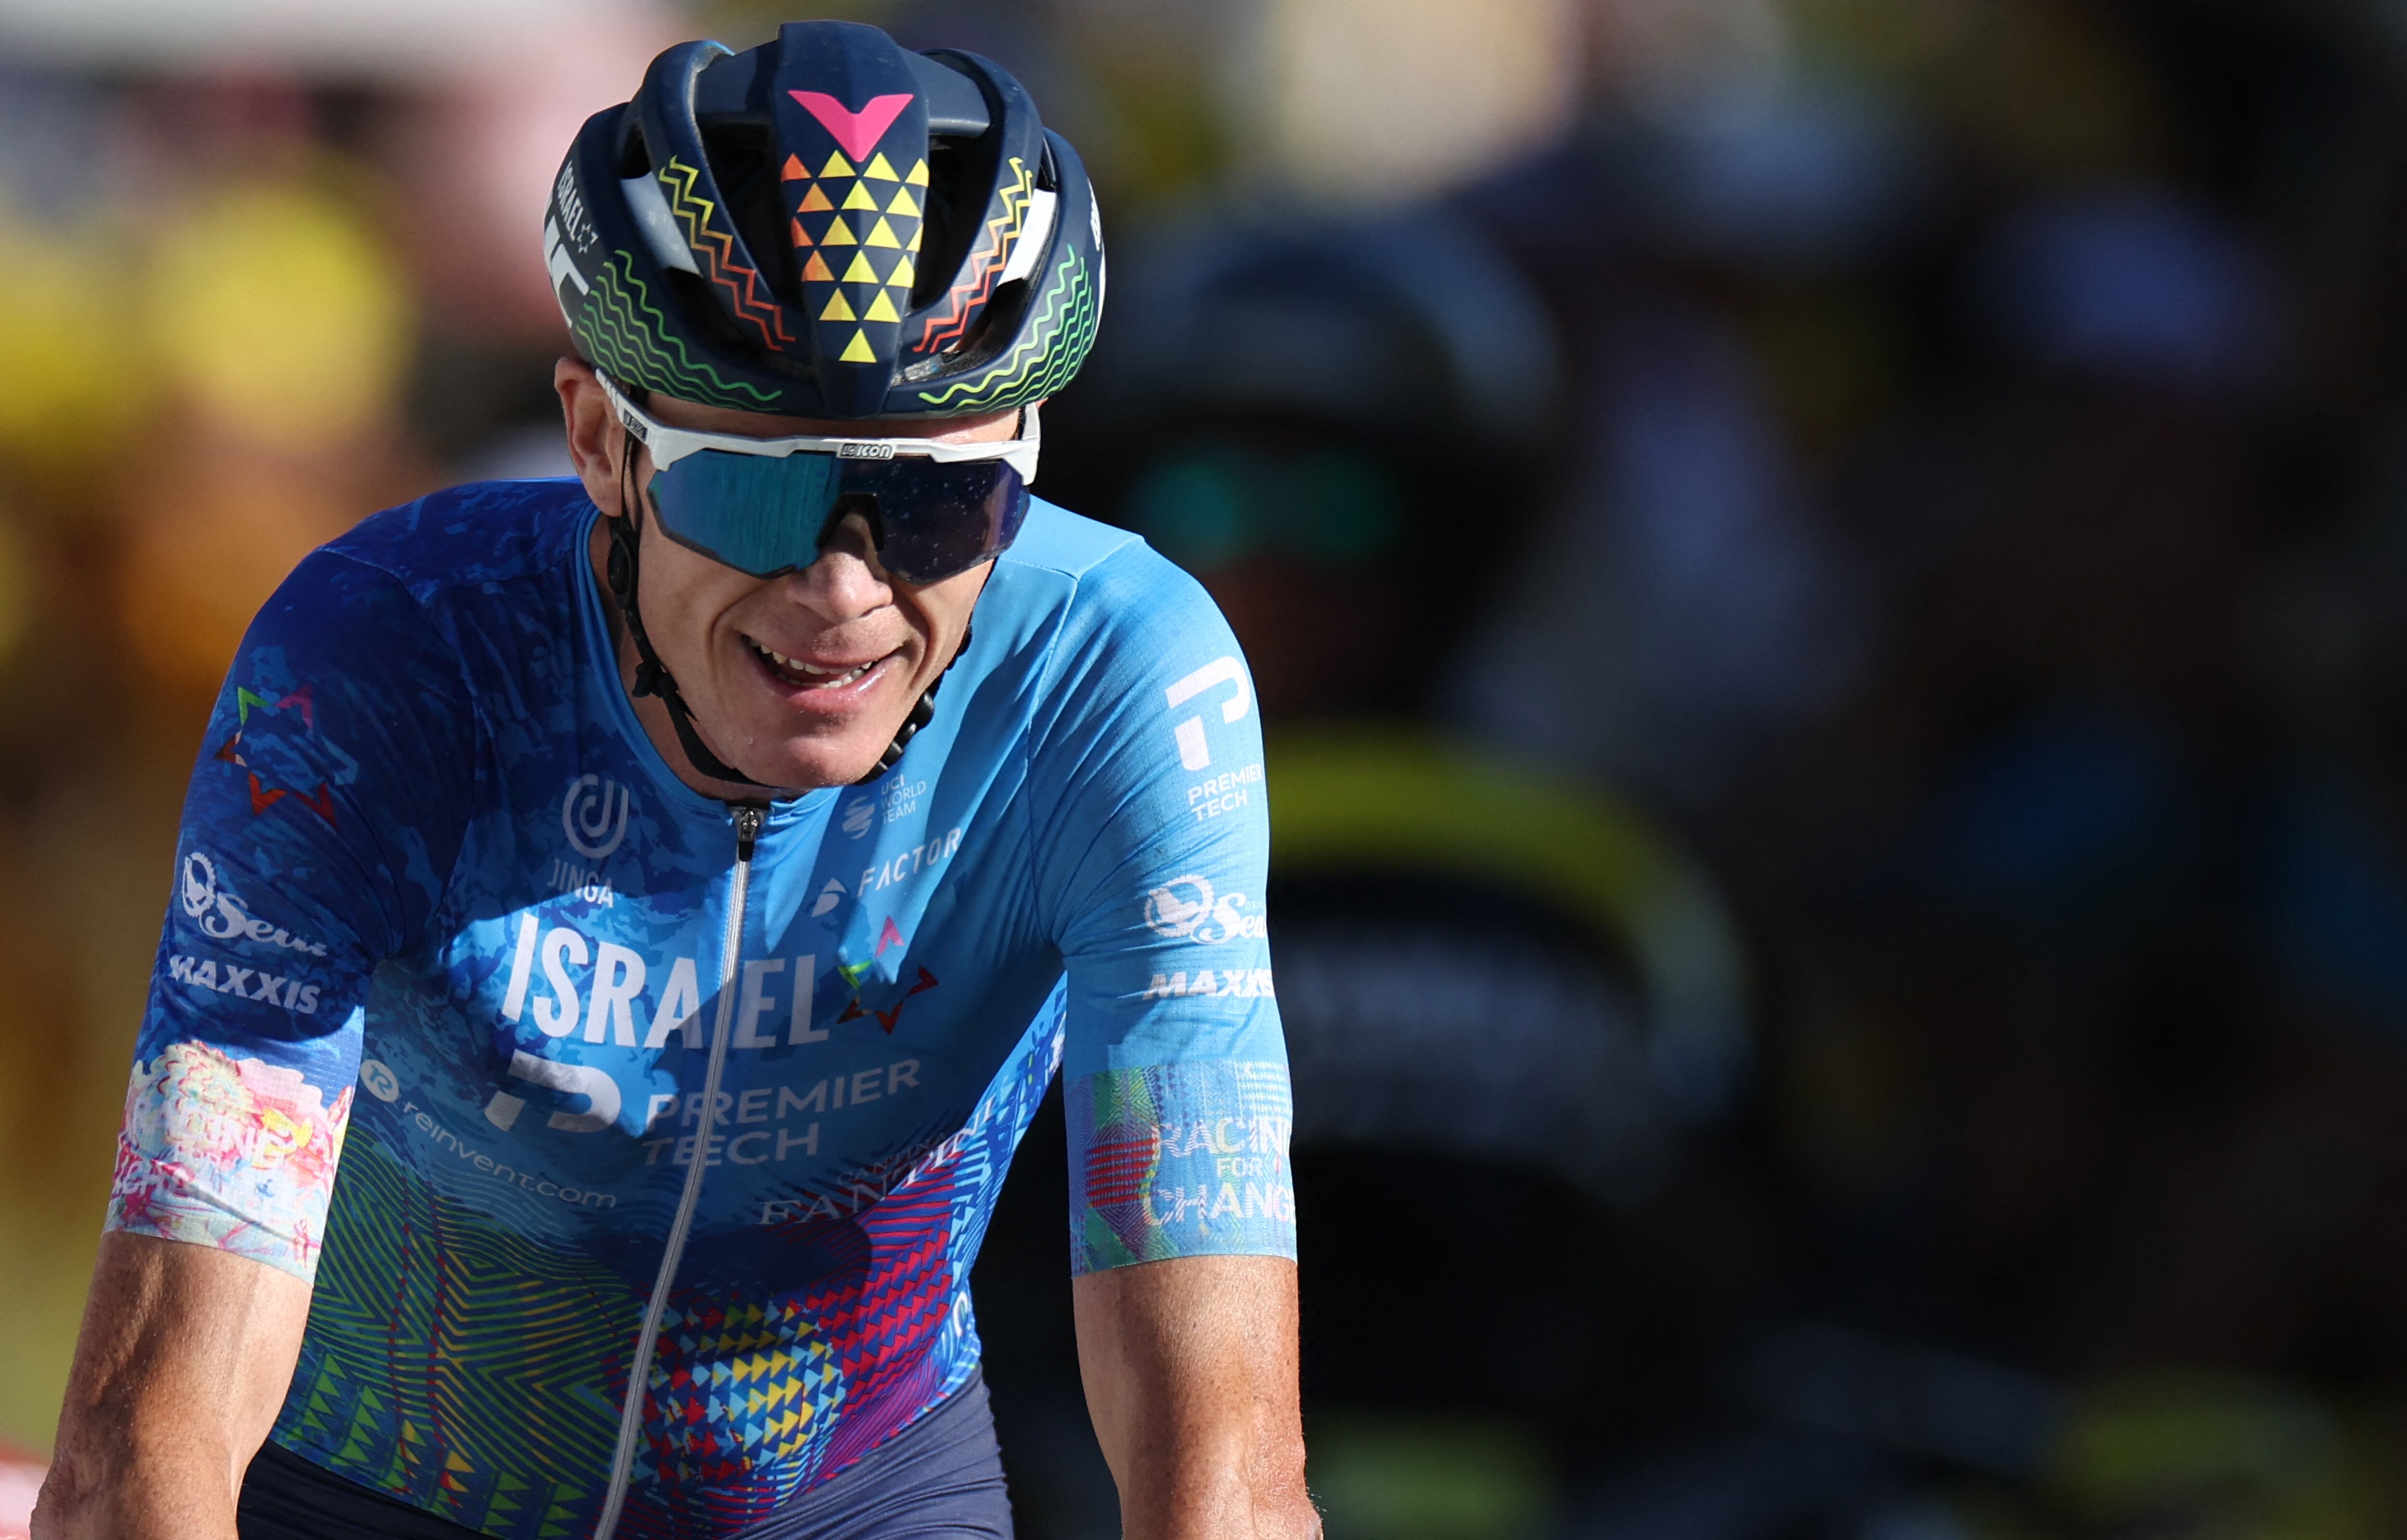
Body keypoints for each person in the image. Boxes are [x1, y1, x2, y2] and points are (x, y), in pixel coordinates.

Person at [32, 22, 1308, 1540]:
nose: (843, 591)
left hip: (853, 1498)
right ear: (599, 442)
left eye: (937, 503)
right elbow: (146, 1445)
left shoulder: (1117, 683)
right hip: (364, 1492)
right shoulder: (384, 660)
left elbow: (1225, 1478)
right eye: (756, 487)